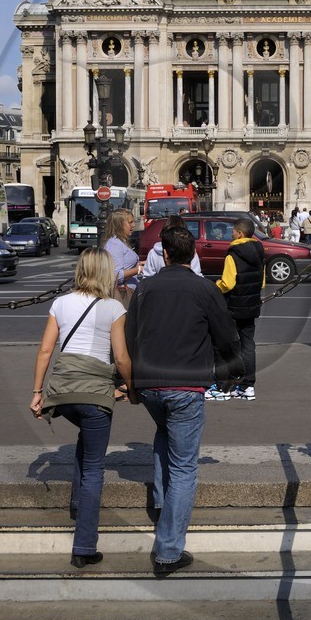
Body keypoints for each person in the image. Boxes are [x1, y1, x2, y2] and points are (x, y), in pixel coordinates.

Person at [123, 223, 238, 574]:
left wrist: (130, 382)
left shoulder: (146, 288)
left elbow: (130, 336)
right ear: (194, 255)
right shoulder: (204, 289)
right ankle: (169, 550)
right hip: (186, 385)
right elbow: (226, 336)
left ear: (166, 254)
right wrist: (230, 372)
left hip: (150, 383)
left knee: (163, 434)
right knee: (186, 465)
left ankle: (161, 501)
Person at [30, 248, 132, 568]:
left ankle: (76, 503)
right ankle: (84, 547)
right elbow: (121, 358)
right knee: (94, 469)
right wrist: (131, 386)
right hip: (95, 395)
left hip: (62, 394)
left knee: (85, 440)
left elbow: (46, 350)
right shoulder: (113, 307)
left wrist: (37, 391)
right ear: (106, 272)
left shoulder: (60, 302)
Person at [214, 216, 266, 402]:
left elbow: (227, 283)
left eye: (233, 231)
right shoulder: (259, 250)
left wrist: (216, 286)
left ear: (240, 233)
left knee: (225, 344)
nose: (231, 234)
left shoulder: (233, 254)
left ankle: (223, 387)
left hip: (233, 304)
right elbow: (262, 281)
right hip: (251, 304)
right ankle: (248, 386)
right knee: (248, 344)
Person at [101, 208, 143, 300]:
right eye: (130, 223)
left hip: (129, 292)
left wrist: (141, 264)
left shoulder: (121, 242)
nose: (134, 225)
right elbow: (116, 275)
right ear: (119, 225)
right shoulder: (114, 244)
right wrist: (139, 269)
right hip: (123, 295)